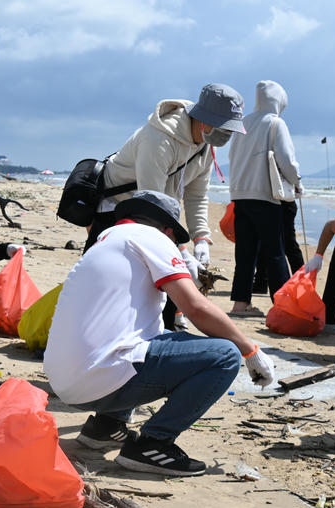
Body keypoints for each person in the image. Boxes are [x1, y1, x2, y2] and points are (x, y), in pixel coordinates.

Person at [45, 192, 277, 477]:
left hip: (65, 382)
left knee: (150, 336)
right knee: (224, 355)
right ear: (167, 230)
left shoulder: (107, 240)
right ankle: (153, 443)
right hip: (100, 379)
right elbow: (195, 308)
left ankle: (105, 427)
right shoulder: (151, 238)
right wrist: (249, 350)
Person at [90, 83, 245, 329]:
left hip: (153, 215)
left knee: (166, 279)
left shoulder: (205, 147)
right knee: (108, 287)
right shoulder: (159, 138)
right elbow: (150, 200)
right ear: (203, 120)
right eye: (222, 127)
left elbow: (196, 195)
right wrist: (182, 251)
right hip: (116, 211)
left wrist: (201, 237)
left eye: (230, 130)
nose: (225, 135)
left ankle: (168, 329)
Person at [226, 80, 301, 316]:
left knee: (245, 253)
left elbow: (232, 155)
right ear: (279, 100)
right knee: (275, 251)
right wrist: (297, 181)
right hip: (265, 196)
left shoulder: (243, 123)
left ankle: (240, 304)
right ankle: (282, 307)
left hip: (240, 194)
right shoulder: (275, 123)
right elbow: (286, 161)